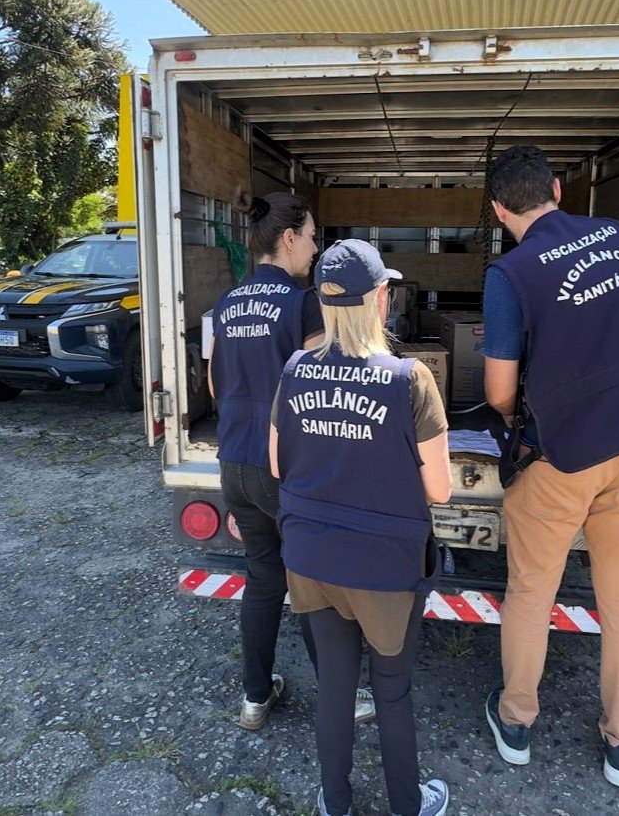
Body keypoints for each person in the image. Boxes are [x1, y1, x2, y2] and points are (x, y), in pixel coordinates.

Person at [480, 145, 619, 788]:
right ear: (557, 189)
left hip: (563, 456)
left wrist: (526, 413)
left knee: (531, 592)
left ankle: (516, 723)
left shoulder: (510, 275)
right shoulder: (616, 236)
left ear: (498, 210)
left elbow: (498, 392)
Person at [269, 239, 452, 816]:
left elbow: (277, 464)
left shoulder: (295, 371)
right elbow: (440, 488)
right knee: (392, 690)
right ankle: (406, 805)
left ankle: (336, 802)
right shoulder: (409, 378)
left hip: (311, 559)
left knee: (335, 687)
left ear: (324, 304)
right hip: (383, 567)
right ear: (380, 299)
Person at [208, 192, 374, 731]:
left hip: (234, 464)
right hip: (285, 469)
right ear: (288, 239)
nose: (316, 247)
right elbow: (321, 385)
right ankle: (343, 698)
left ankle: (255, 698)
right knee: (314, 581)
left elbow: (213, 384)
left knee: (263, 580)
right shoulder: (303, 303)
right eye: (311, 236)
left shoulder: (226, 304)